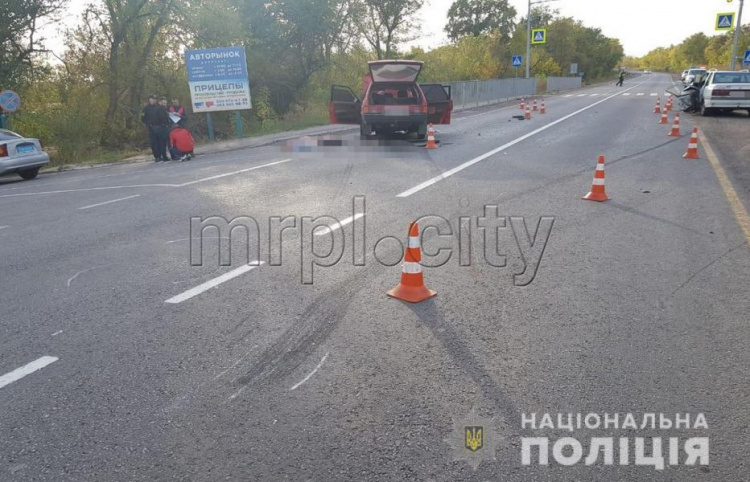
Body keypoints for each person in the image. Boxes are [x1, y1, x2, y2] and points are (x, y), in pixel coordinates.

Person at [141, 94, 170, 162]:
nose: (154, 100)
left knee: (161, 142)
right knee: (154, 143)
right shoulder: (146, 108)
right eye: (152, 99)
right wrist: (147, 124)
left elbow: (164, 117)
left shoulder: (159, 107)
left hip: (160, 127)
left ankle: (163, 155)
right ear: (149, 99)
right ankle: (157, 156)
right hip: (151, 127)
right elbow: (142, 118)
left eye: (155, 99)